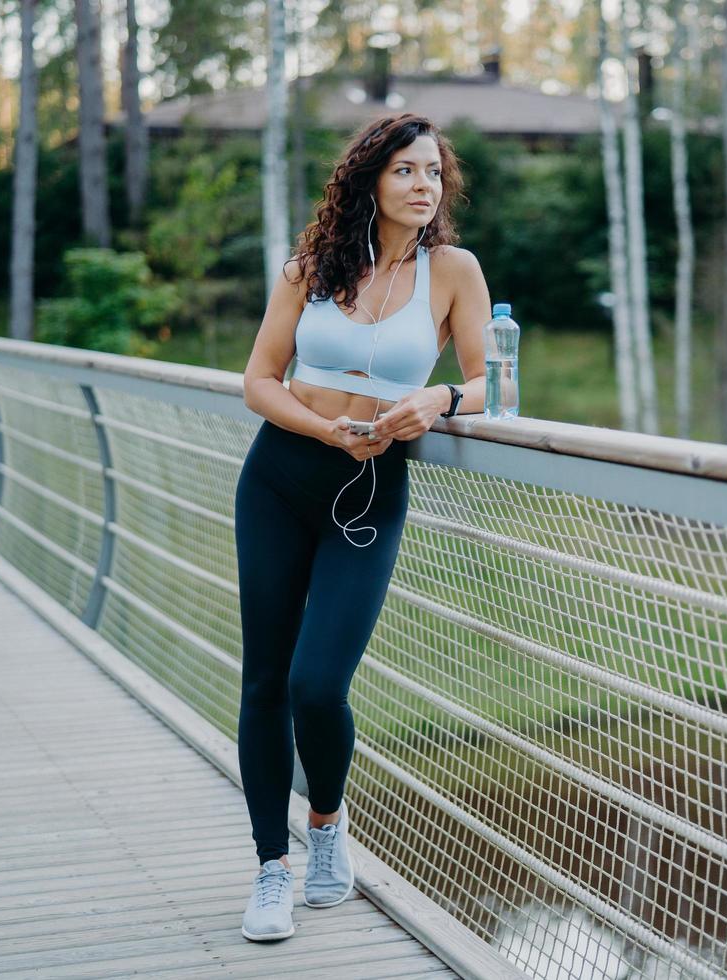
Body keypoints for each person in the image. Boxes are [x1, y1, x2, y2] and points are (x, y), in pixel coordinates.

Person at [233, 112, 490, 943]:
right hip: (280, 476)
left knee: (317, 683)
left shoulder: (452, 271)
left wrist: (439, 398)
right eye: (407, 172)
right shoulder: (308, 267)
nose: (424, 186)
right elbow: (261, 380)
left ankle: (327, 828)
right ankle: (270, 868)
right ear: (371, 179)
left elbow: (496, 384)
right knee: (267, 680)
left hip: (372, 489)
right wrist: (319, 430)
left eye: (434, 173)